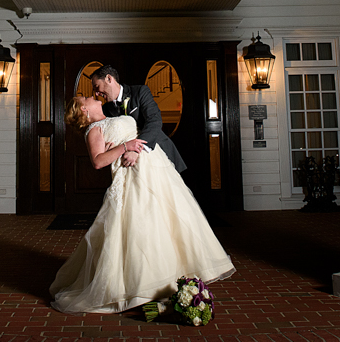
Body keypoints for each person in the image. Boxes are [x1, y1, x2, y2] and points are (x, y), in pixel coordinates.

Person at [49, 95, 235, 314]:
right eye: (87, 97)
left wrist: (131, 145)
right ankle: (141, 287)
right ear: (84, 109)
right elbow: (98, 161)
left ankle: (171, 278)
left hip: (157, 170)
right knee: (143, 226)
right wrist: (124, 147)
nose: (92, 95)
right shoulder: (94, 130)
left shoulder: (113, 114)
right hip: (133, 179)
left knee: (167, 222)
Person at [90, 64, 186, 172]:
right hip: (131, 167)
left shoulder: (140, 92)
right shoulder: (106, 110)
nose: (97, 94)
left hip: (160, 155)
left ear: (109, 78)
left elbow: (154, 120)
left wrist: (136, 150)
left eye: (97, 87)